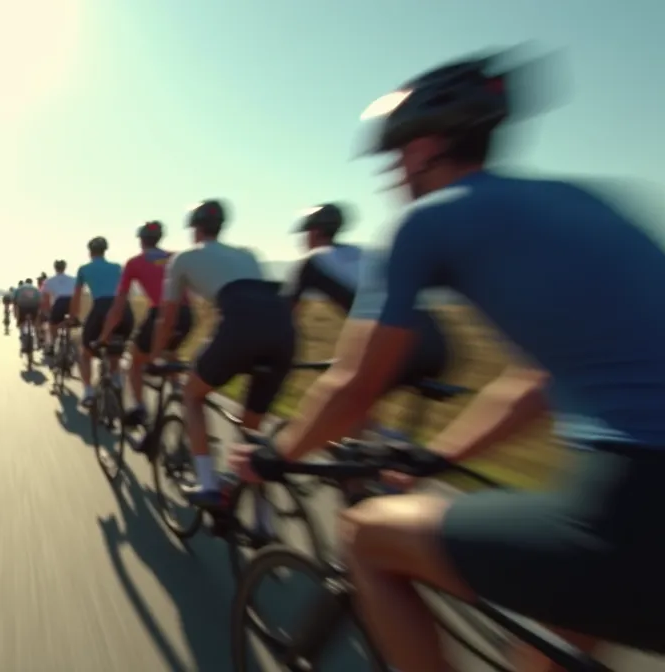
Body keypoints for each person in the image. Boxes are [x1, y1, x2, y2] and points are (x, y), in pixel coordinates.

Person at [231, 52, 665, 671]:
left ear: (427, 146)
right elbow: (536, 381)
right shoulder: (584, 203)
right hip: (631, 500)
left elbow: (355, 387)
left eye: (396, 154)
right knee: (558, 638)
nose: (391, 172)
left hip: (635, 505)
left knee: (366, 538)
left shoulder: (427, 221)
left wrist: (275, 454)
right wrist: (438, 457)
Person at [153, 199, 294, 506]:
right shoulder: (248, 254)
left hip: (240, 329)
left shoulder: (184, 258)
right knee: (251, 435)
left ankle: (208, 485)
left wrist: (160, 353)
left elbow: (169, 317)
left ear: (195, 228)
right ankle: (263, 520)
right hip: (283, 330)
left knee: (192, 394)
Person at [284, 202, 450, 434]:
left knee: (333, 406)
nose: (304, 239)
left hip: (398, 345)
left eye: (305, 232)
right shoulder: (363, 253)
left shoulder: (313, 261)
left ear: (315, 232)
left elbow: (285, 315)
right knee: (358, 407)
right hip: (439, 344)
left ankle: (379, 454)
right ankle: (386, 450)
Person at [99, 221, 193, 427]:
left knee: (135, 360)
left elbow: (118, 308)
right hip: (186, 315)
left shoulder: (134, 263)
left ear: (141, 240)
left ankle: (140, 408)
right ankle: (183, 400)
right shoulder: (174, 258)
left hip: (160, 313)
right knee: (169, 353)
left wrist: (105, 336)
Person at [73, 237, 133, 407]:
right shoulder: (117, 267)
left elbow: (76, 297)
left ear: (90, 252)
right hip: (124, 310)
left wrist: (73, 316)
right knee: (116, 347)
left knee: (85, 352)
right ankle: (116, 379)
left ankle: (88, 391)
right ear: (105, 251)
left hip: (101, 308)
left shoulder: (84, 269)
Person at [41, 259, 76, 359]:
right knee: (70, 323)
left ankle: (52, 345)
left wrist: (47, 313)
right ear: (65, 268)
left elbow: (46, 300)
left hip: (59, 302)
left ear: (55, 268)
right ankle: (69, 341)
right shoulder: (73, 279)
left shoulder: (49, 281)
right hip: (72, 302)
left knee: (53, 325)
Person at [13, 278, 44, 347]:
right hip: (33, 306)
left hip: (23, 306)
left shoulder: (19, 288)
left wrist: (15, 314)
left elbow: (15, 301)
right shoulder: (36, 289)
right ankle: (38, 337)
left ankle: (21, 332)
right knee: (36, 322)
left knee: (21, 321)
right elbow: (40, 300)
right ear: (32, 282)